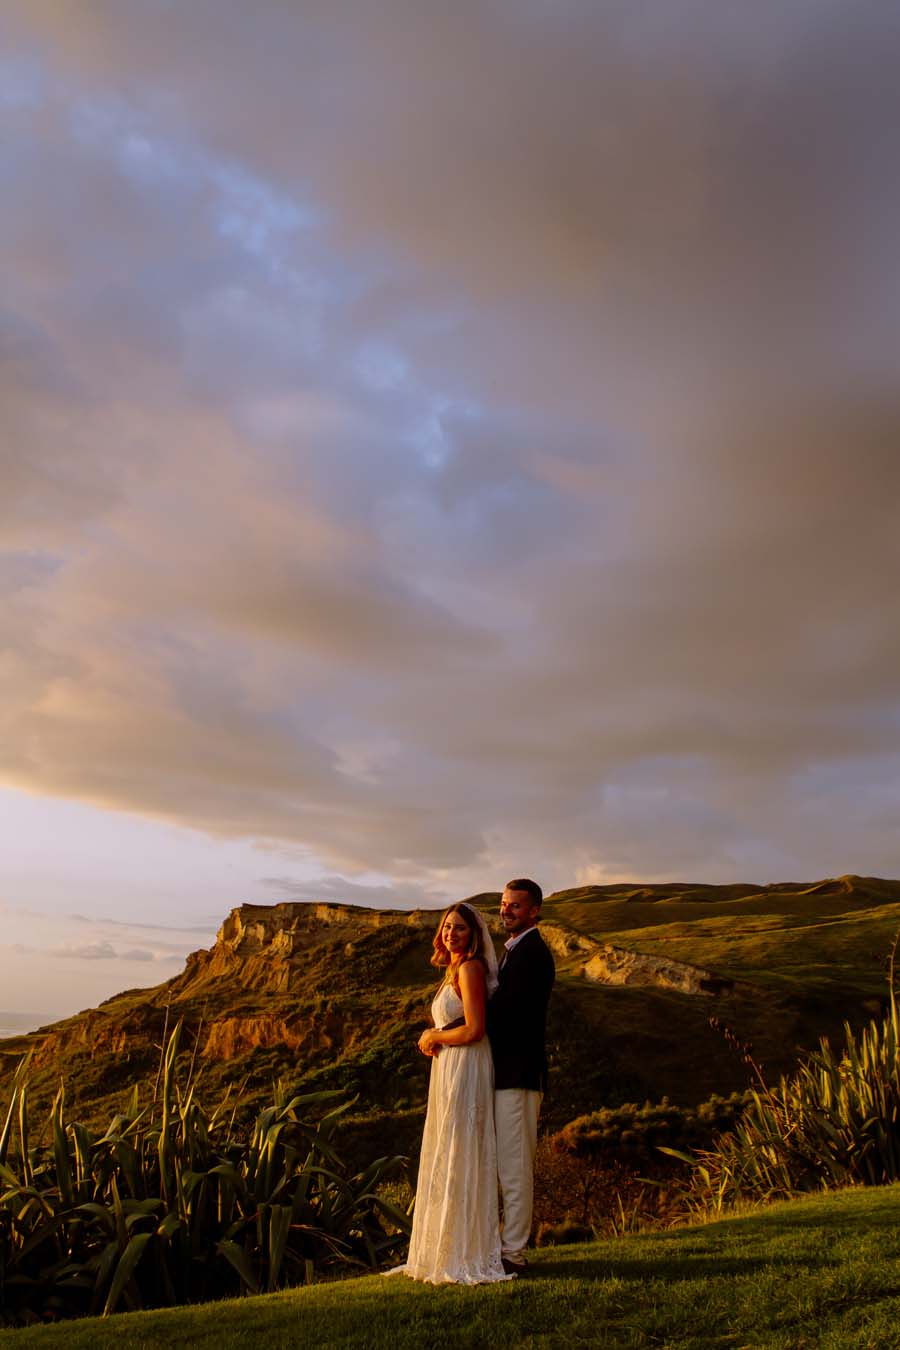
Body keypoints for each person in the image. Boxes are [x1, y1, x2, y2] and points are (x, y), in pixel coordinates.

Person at [390, 902, 513, 1284]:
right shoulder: (452, 969)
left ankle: (466, 1252)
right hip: (450, 1066)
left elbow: (475, 1029)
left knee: (461, 1148)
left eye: (459, 928)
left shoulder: (470, 968)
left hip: (466, 1064)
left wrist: (433, 1035)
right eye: (447, 927)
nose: (451, 934)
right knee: (450, 1147)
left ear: (474, 935)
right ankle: (445, 1248)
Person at [487, 878, 555, 1275]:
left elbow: (509, 1016)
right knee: (505, 1165)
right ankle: (505, 1246)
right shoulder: (515, 951)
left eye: (515, 905)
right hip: (506, 1074)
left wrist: (461, 1026)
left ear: (534, 911)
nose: (507, 910)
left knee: (514, 1167)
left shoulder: (532, 954)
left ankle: (514, 1253)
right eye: (504, 903)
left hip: (519, 1075)